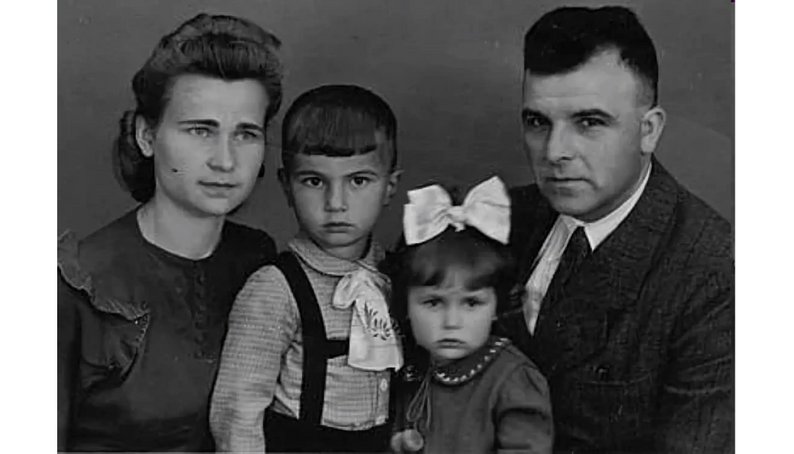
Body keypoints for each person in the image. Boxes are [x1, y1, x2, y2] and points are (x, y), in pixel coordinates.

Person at [498, 6, 733, 453]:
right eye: (537, 122)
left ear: (649, 131)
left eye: (589, 122)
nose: (555, 151)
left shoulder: (716, 274)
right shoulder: (504, 216)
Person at [57, 13, 283, 451]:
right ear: (146, 135)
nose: (225, 160)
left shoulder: (258, 261)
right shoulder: (75, 285)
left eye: (246, 134)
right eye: (201, 130)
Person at [210, 84, 403, 452]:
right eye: (314, 181)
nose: (336, 203)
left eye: (358, 181)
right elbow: (237, 411)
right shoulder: (275, 288)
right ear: (287, 186)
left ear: (390, 187)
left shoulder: (396, 276)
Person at [386, 177, 554, 454]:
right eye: (433, 303)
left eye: (472, 303)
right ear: (406, 304)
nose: (452, 322)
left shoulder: (511, 378)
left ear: (497, 305)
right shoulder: (411, 365)